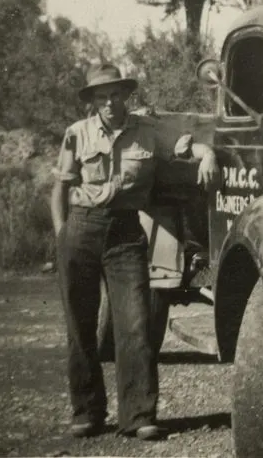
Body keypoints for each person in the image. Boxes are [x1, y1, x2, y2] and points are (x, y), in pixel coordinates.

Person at [50, 63, 219, 440]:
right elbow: (61, 187)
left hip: (126, 233)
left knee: (136, 325)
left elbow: (189, 142)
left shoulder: (149, 131)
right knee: (80, 327)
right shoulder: (77, 134)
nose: (109, 103)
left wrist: (207, 155)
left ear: (126, 96)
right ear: (92, 101)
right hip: (81, 228)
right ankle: (87, 412)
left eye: (115, 95)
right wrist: (63, 235)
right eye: (101, 97)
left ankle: (138, 415)